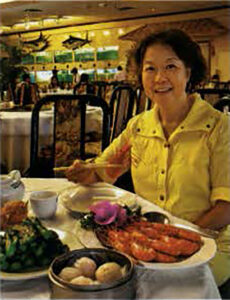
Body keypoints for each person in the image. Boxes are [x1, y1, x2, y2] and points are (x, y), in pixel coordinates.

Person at [66, 29, 230, 294]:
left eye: (171, 67)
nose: (159, 78)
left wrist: (175, 240)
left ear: (189, 72)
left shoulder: (219, 128)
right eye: (150, 68)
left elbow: (226, 208)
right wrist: (83, 170)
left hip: (206, 243)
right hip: (144, 241)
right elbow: (101, 171)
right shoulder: (138, 127)